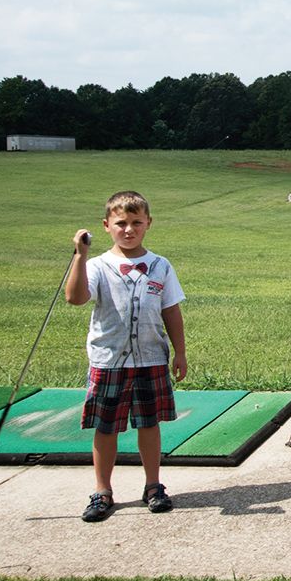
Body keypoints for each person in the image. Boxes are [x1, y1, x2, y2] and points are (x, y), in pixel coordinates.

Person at [65, 190, 188, 522]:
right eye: (121, 223)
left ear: (148, 223)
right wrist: (79, 255)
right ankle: (102, 490)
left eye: (136, 222)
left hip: (150, 358)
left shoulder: (160, 266)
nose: (129, 230)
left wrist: (180, 352)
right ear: (107, 226)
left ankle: (153, 485)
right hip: (109, 360)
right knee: (106, 426)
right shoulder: (98, 266)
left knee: (148, 423)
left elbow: (172, 311)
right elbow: (75, 298)